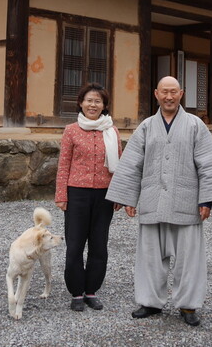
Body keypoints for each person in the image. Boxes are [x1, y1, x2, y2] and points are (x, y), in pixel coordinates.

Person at [106, 76, 212, 327]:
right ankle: (150, 302)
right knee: (150, 255)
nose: (169, 97)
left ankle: (188, 305)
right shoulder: (147, 126)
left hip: (187, 201)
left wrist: (207, 200)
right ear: (156, 94)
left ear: (181, 94)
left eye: (174, 92)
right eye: (165, 92)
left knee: (189, 258)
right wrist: (129, 197)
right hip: (152, 199)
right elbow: (131, 164)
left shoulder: (196, 125)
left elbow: (208, 163)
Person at [55, 83, 122, 312]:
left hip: (104, 195)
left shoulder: (111, 131)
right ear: (81, 103)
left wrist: (119, 195)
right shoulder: (71, 130)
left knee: (99, 245)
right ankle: (76, 291)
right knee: (74, 245)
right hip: (77, 194)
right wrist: (61, 195)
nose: (93, 105)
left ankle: (92, 290)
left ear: (104, 105)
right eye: (89, 100)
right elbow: (63, 164)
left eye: (98, 101)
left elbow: (119, 166)